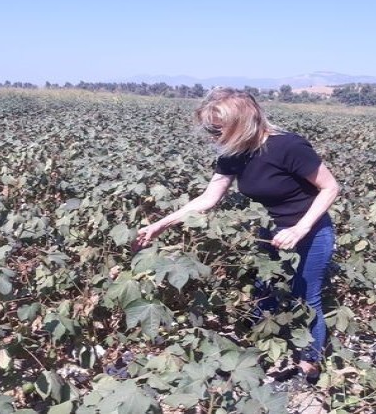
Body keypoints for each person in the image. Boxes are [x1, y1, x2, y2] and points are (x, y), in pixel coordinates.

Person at [132, 87, 339, 379]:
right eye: (212, 128)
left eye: (219, 128)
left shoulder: (288, 146)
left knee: (305, 297)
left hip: (311, 230)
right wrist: (160, 224)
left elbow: (330, 187)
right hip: (269, 231)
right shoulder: (233, 153)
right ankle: (263, 351)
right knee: (264, 290)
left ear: (243, 123)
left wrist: (299, 227)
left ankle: (310, 362)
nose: (215, 135)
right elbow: (208, 198)